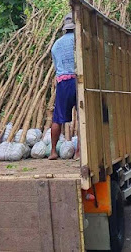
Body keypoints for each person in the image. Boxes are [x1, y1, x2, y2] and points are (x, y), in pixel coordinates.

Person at [49, 12, 80, 160]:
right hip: (78, 80)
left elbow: (56, 68)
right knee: (83, 117)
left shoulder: (56, 45)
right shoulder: (79, 40)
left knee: (57, 118)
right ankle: (79, 152)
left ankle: (53, 151)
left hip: (62, 82)